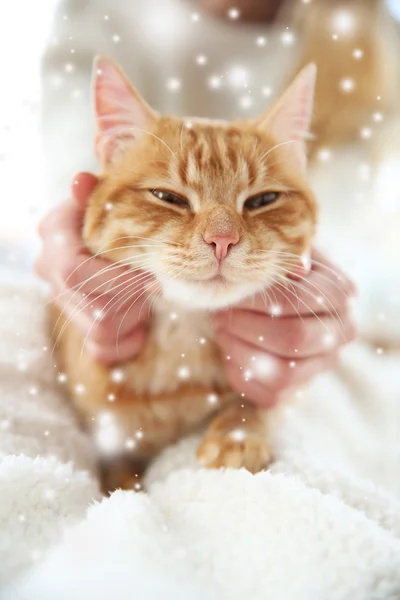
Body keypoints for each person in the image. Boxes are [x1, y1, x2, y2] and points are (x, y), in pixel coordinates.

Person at [35, 0, 399, 407]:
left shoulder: (373, 38)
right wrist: (65, 235)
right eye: (171, 197)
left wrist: (323, 297)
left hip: (286, 339)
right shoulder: (94, 11)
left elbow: (343, 231)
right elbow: (74, 187)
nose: (221, 237)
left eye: (260, 199)